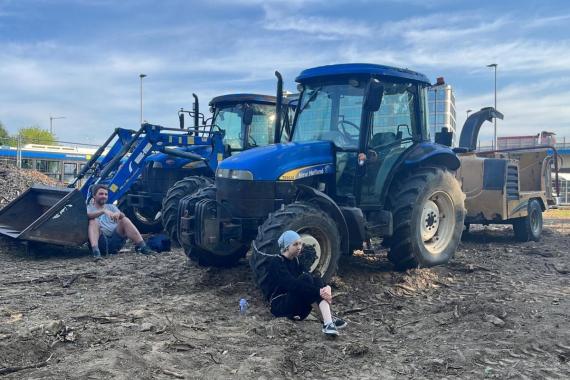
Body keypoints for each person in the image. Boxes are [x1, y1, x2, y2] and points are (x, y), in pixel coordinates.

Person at [257, 230, 347, 337]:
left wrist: (326, 287)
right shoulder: (276, 263)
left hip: (300, 309)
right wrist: (319, 291)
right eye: (295, 244)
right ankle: (328, 321)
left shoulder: (297, 261)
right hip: (281, 307)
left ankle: (328, 321)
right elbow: (292, 285)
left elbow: (313, 279)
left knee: (315, 279)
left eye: (300, 243)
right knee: (305, 279)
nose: (299, 247)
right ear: (286, 246)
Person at [87, 184, 154, 260]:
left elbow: (123, 215)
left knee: (124, 219)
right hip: (100, 242)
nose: (104, 196)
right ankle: (96, 253)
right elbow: (88, 216)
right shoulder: (89, 208)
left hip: (115, 241)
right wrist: (103, 211)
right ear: (94, 196)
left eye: (106, 194)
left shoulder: (111, 207)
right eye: (101, 194)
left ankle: (143, 247)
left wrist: (119, 214)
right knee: (93, 221)